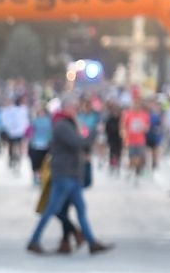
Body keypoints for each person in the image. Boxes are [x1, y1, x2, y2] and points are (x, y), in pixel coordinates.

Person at [27, 93, 113, 255]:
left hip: (72, 174)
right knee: (52, 208)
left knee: (80, 209)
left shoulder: (69, 123)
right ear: (66, 107)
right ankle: (34, 240)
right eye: (74, 107)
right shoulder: (62, 125)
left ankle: (91, 242)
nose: (76, 110)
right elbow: (77, 143)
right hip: (64, 174)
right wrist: (94, 132)